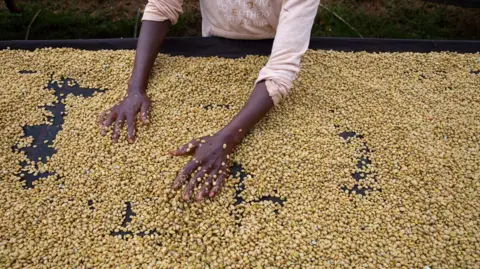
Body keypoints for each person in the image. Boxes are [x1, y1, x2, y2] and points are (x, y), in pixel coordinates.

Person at [98, 0, 319, 202]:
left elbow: (280, 70)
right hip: (214, 46)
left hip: (275, 48)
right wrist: (135, 89)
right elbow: (162, 5)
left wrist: (226, 139)